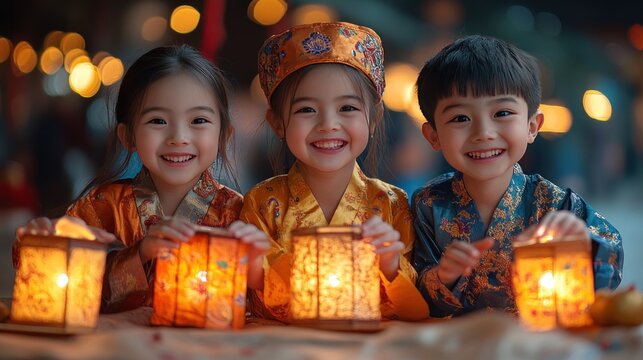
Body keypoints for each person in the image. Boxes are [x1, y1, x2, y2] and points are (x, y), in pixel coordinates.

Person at [14, 45, 269, 312]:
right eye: (158, 121)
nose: (178, 137)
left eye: (199, 120)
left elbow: (270, 305)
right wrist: (43, 242)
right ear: (128, 136)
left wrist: (255, 269)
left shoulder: (238, 215)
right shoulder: (102, 207)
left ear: (223, 136)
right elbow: (50, 279)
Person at [411, 35, 624, 318]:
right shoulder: (429, 204)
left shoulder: (556, 204)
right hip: (457, 345)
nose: (484, 133)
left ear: (532, 126)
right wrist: (443, 275)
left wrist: (582, 242)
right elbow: (415, 294)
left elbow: (612, 257)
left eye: (502, 112)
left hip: (539, 344)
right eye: (461, 118)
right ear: (433, 136)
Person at [241, 21, 428, 322]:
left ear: (374, 117)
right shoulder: (262, 203)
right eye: (306, 110)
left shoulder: (391, 203)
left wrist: (390, 265)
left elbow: (415, 312)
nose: (328, 124)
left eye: (347, 109)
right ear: (277, 123)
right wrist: (252, 264)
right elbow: (258, 302)